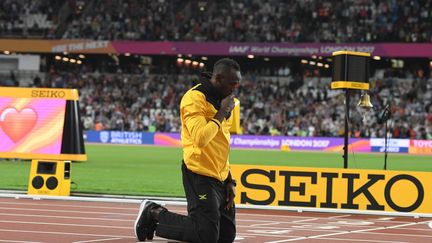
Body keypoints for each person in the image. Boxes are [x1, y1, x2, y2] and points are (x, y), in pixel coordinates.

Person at [134, 58, 241, 242]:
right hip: (199, 173)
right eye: (232, 83)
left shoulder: (225, 100)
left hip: (221, 176)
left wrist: (229, 179)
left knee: (226, 237)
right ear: (218, 78)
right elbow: (200, 139)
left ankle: (168, 219)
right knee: (206, 236)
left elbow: (222, 143)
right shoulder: (194, 99)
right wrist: (222, 112)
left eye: (237, 83)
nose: (235, 88)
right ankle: (154, 212)